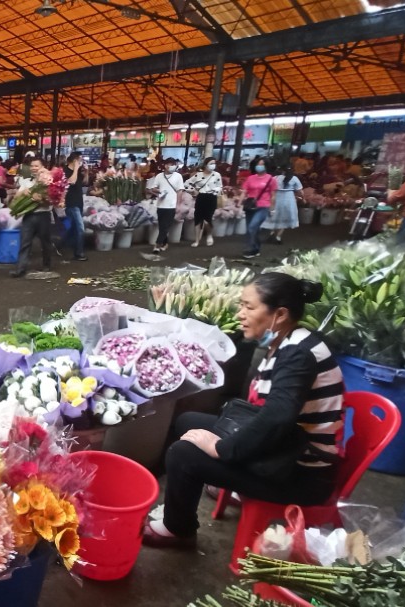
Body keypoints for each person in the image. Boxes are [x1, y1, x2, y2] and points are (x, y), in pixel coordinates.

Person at [143, 273, 343, 549]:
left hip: (299, 474)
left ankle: (179, 529)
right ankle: (223, 484)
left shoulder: (297, 355)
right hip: (284, 449)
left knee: (183, 454)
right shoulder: (293, 339)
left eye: (249, 307)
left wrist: (222, 449)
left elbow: (277, 418)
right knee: (188, 422)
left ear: (280, 314)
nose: (240, 314)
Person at [11, 157, 54, 277]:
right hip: (29, 216)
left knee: (45, 242)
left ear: (43, 167)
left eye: (37, 166)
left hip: (43, 215)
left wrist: (43, 199)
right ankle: (20, 269)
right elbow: (16, 197)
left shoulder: (49, 182)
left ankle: (47, 265)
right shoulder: (26, 182)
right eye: (32, 166)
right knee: (25, 242)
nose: (34, 168)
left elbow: (52, 200)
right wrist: (25, 192)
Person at [241, 158, 278, 259]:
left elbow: (273, 195)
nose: (259, 166)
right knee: (251, 229)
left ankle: (251, 248)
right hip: (250, 206)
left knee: (252, 226)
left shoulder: (271, 179)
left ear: (266, 166)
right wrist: (240, 202)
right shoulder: (250, 178)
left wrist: (272, 208)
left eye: (262, 164)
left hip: (263, 206)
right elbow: (244, 191)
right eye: (258, 164)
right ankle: (256, 247)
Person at [146, 158, 184, 253]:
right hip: (161, 204)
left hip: (171, 205)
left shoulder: (178, 176)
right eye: (169, 164)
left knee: (166, 226)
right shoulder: (159, 176)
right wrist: (160, 191)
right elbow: (153, 188)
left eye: (173, 164)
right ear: (165, 165)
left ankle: (157, 245)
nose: (170, 166)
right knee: (162, 226)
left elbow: (180, 191)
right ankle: (165, 243)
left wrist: (178, 204)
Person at [184, 157, 222, 248]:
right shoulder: (198, 175)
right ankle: (197, 240)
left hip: (211, 197)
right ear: (205, 165)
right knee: (198, 219)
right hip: (201, 197)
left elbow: (220, 187)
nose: (213, 165)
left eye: (214, 163)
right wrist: (193, 190)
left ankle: (209, 235)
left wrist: (214, 190)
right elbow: (186, 183)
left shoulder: (216, 175)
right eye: (211, 163)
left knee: (207, 219)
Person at [263, 167, 304, 245]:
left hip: (277, 198)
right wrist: (302, 198)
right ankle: (278, 237)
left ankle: (271, 234)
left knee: (274, 216)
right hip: (289, 200)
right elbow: (300, 191)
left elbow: (269, 189)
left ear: (282, 171)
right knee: (285, 217)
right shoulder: (294, 178)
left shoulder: (275, 178)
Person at [64, 152, 87, 261]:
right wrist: (76, 169)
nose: (81, 162)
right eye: (80, 160)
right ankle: (79, 253)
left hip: (79, 202)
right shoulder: (65, 171)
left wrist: (86, 172)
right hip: (71, 203)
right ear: (74, 161)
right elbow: (71, 182)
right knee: (80, 228)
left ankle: (63, 245)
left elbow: (85, 182)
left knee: (73, 228)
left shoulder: (78, 172)